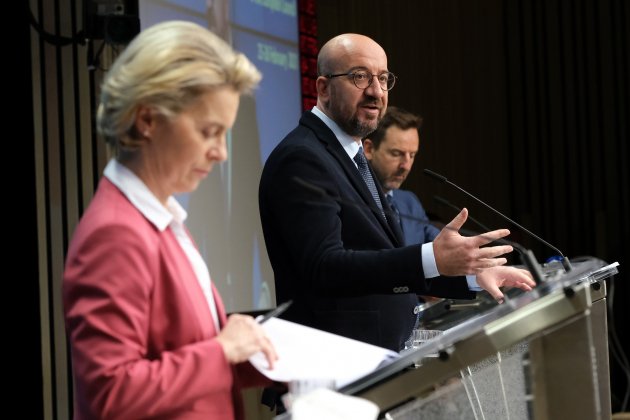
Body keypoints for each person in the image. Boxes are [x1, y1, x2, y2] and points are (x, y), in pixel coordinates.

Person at [258, 33, 535, 352]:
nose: (376, 92)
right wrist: (432, 257)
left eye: (383, 78)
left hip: (374, 364)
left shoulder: (350, 155)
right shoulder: (303, 158)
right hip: (334, 367)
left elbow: (382, 265)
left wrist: (470, 276)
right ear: (323, 88)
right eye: (359, 77)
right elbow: (324, 267)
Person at [63, 21, 277, 420]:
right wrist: (224, 350)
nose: (221, 154)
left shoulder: (158, 219)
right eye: (209, 132)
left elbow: (180, 357)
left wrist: (261, 356)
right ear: (147, 120)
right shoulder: (115, 233)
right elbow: (110, 394)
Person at [363, 106, 440, 246]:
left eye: (412, 155)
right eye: (396, 154)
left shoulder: (410, 202)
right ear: (369, 149)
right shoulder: (352, 199)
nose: (406, 166)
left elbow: (440, 245)